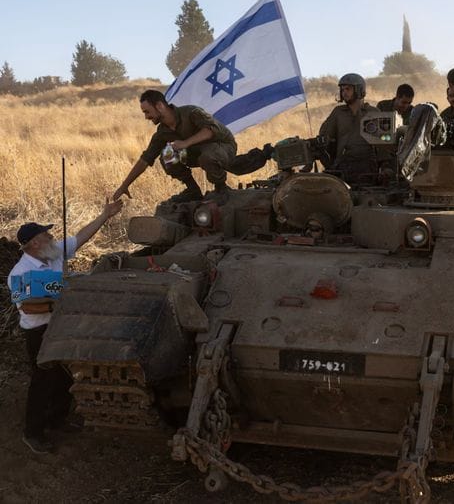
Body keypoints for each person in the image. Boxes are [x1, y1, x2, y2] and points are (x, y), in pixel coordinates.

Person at [8, 199, 123, 454]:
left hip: (61, 326)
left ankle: (57, 420)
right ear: (34, 243)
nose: (51, 236)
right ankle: (33, 433)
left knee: (65, 376)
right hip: (39, 332)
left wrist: (105, 215)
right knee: (42, 380)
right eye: (45, 234)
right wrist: (60, 299)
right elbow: (28, 307)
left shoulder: (53, 252)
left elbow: (81, 237)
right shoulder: (20, 273)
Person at [112, 90, 271, 205]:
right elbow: (145, 160)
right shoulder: (162, 132)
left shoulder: (191, 112)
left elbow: (210, 131)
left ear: (159, 106)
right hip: (198, 153)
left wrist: (185, 143)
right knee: (167, 156)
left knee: (208, 156)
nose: (146, 117)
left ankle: (221, 189)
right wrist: (124, 186)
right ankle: (193, 191)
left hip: (223, 146)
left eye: (147, 112)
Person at [318, 73, 383, 184]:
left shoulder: (373, 113)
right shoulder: (338, 113)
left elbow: (383, 145)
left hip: (368, 169)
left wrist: (385, 166)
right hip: (343, 167)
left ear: (359, 90)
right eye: (342, 90)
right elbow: (325, 137)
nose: (344, 93)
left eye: (348, 89)